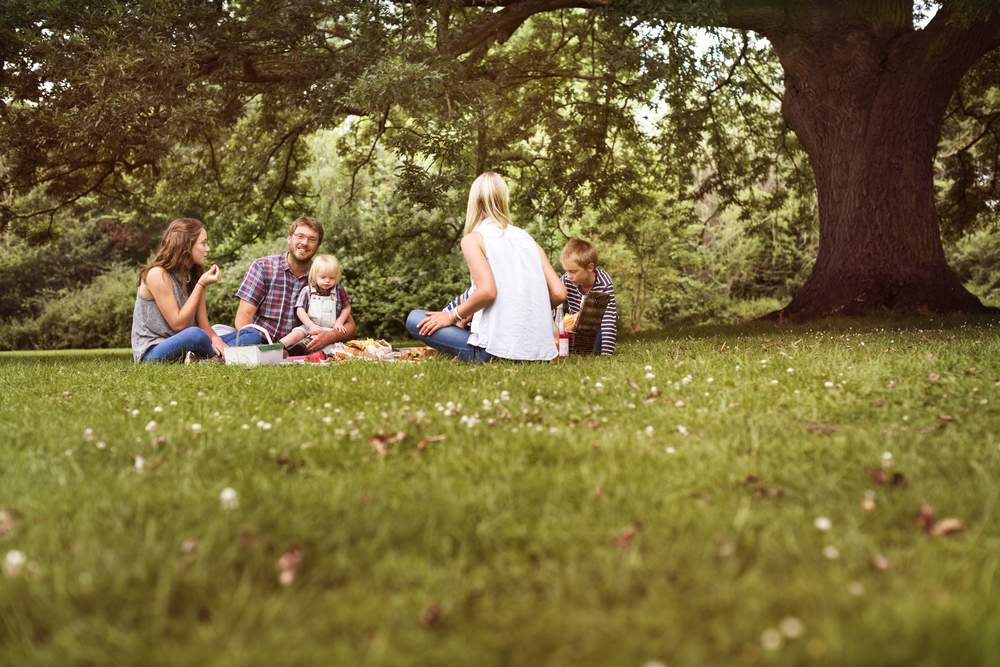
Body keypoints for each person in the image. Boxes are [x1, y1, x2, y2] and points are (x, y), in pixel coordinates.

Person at [405, 172, 566, 363]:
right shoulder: (528, 239)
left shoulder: (473, 239)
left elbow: (488, 291)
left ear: (473, 201)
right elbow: (559, 293)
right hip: (539, 353)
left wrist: (451, 316)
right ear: (505, 200)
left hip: (494, 353)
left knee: (415, 318)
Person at [131, 218, 253, 363]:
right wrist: (201, 285)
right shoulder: (157, 274)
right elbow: (178, 324)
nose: (207, 248)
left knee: (251, 333)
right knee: (196, 335)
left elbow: (204, 325)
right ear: (186, 246)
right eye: (203, 243)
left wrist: (216, 340)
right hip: (153, 352)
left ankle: (210, 358)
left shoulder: (194, 275)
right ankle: (220, 357)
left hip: (187, 347)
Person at [234, 217, 357, 351]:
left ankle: (286, 353)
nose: (305, 242)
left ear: (317, 247)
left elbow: (350, 327)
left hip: (300, 347)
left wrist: (329, 336)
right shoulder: (263, 267)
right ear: (289, 238)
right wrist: (252, 347)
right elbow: (244, 313)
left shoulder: (322, 276)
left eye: (312, 239)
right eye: (300, 236)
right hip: (262, 343)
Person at [279, 255, 352, 354]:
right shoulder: (307, 290)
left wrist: (339, 322)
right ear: (314, 275)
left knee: (322, 345)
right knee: (296, 334)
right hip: (309, 326)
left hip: (329, 329)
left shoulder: (338, 290)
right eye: (323, 277)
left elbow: (347, 307)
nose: (327, 281)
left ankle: (297, 350)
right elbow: (300, 310)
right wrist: (311, 325)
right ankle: (278, 346)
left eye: (332, 277)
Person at [559, 237, 618, 356]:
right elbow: (554, 299)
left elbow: (608, 320)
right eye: (567, 271)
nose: (568, 276)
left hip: (598, 326)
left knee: (595, 352)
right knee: (578, 352)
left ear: (590, 268)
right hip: (576, 326)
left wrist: (606, 353)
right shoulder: (566, 280)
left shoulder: (604, 282)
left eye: (573, 272)